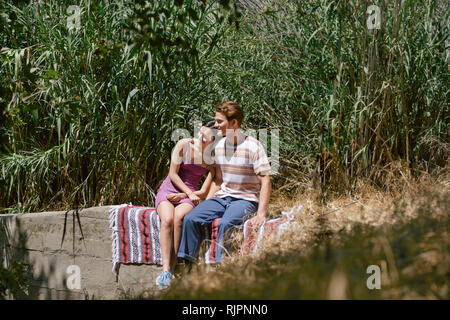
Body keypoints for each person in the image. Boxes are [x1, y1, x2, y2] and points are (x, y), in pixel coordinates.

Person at [177, 101, 272, 264]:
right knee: (190, 219)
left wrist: (261, 213)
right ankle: (187, 265)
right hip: (222, 198)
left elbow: (266, 181)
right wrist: (207, 203)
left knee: (226, 223)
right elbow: (218, 179)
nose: (216, 125)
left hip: (245, 200)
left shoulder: (253, 146)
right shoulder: (219, 145)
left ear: (234, 123)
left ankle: (221, 267)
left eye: (220, 121)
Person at [154, 119, 217, 289]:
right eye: (200, 133)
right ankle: (165, 270)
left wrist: (187, 194)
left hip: (189, 195)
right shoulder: (184, 144)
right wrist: (186, 193)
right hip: (169, 190)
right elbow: (173, 174)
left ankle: (173, 267)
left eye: (206, 138)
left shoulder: (212, 159)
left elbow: (203, 192)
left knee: (179, 218)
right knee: (167, 220)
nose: (200, 138)